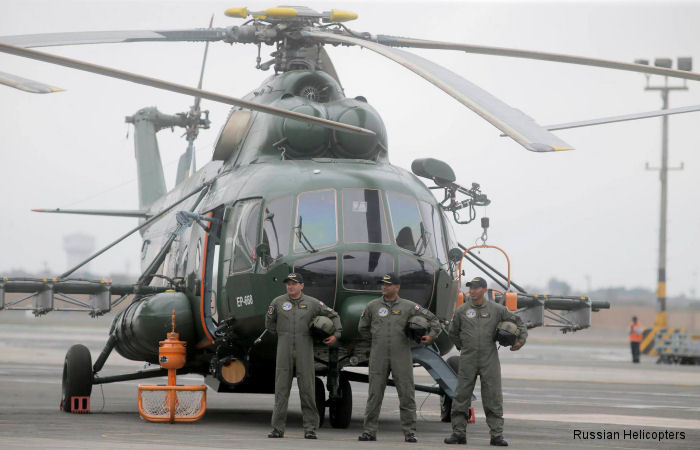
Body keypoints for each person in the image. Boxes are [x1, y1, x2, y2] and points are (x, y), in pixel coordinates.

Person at [357, 272, 441, 443]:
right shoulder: (373, 306)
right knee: (374, 394)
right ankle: (369, 431)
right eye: (383, 284)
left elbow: (433, 320)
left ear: (397, 287)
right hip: (378, 355)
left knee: (406, 393)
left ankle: (409, 431)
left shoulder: (409, 306)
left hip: (401, 354)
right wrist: (376, 341)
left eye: (388, 284)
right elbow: (362, 328)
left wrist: (431, 336)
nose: (384, 287)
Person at [444, 277, 527, 446]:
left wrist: (520, 340)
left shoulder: (497, 310)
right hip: (467, 359)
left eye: (476, 288)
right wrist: (464, 347)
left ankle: (496, 435)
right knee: (461, 397)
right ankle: (458, 433)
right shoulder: (461, 311)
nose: (472, 291)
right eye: (471, 288)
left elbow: (518, 323)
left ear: (484, 289)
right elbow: (453, 333)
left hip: (489, 359)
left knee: (493, 397)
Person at [265, 272, 342, 439]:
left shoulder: (313, 303)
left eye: (294, 283)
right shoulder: (278, 302)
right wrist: (282, 335)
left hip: (304, 349)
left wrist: (337, 334)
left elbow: (333, 315)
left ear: (302, 285)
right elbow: (269, 323)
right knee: (281, 390)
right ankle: (278, 428)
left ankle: (310, 428)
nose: (290, 286)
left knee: (307, 389)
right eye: (288, 284)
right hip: (284, 350)